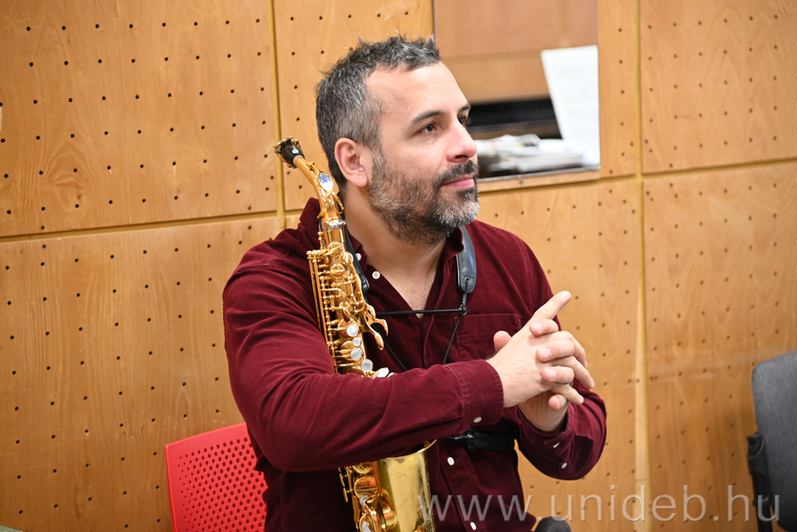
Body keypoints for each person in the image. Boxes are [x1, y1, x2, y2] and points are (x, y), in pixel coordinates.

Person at [223, 35, 606, 532]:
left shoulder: (508, 259)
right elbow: (292, 424)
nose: (467, 145)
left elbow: (576, 455)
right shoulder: (273, 280)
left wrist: (547, 418)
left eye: (462, 119)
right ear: (355, 161)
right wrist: (491, 383)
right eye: (430, 127)